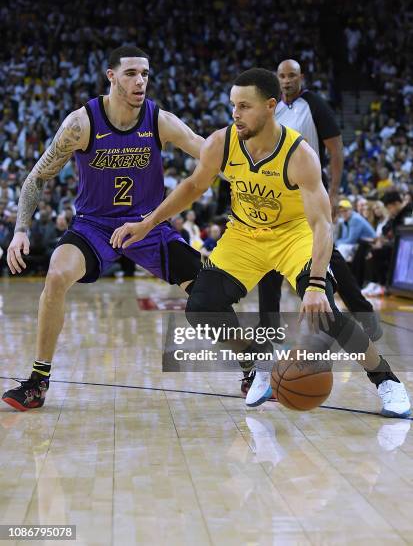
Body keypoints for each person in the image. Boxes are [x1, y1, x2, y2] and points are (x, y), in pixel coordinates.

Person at [110, 68, 410, 418]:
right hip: (245, 235)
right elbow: (192, 187)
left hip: (294, 234)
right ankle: (258, 358)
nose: (235, 114)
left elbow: (322, 222)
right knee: (200, 307)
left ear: (270, 106)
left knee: (325, 313)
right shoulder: (222, 142)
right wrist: (148, 223)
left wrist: (314, 285)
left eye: (244, 106)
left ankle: (386, 380)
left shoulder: (299, 155)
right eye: (232, 106)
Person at [3, 45, 204, 411]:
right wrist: (21, 229)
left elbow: (206, 151)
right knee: (56, 276)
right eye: (130, 73)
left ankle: (251, 368)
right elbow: (35, 178)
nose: (140, 80)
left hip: (148, 226)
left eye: (144, 73)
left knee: (209, 292)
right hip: (94, 226)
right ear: (111, 76)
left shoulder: (159, 119)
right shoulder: (82, 123)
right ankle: (38, 380)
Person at [255, 59, 382, 394]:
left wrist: (335, 188)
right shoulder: (272, 110)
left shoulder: (316, 105)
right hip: (277, 193)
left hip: (311, 190)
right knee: (273, 263)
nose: (286, 81)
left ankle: (363, 313)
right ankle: (270, 334)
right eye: (281, 76)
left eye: (291, 75)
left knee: (327, 256)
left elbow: (336, 150)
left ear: (301, 77)